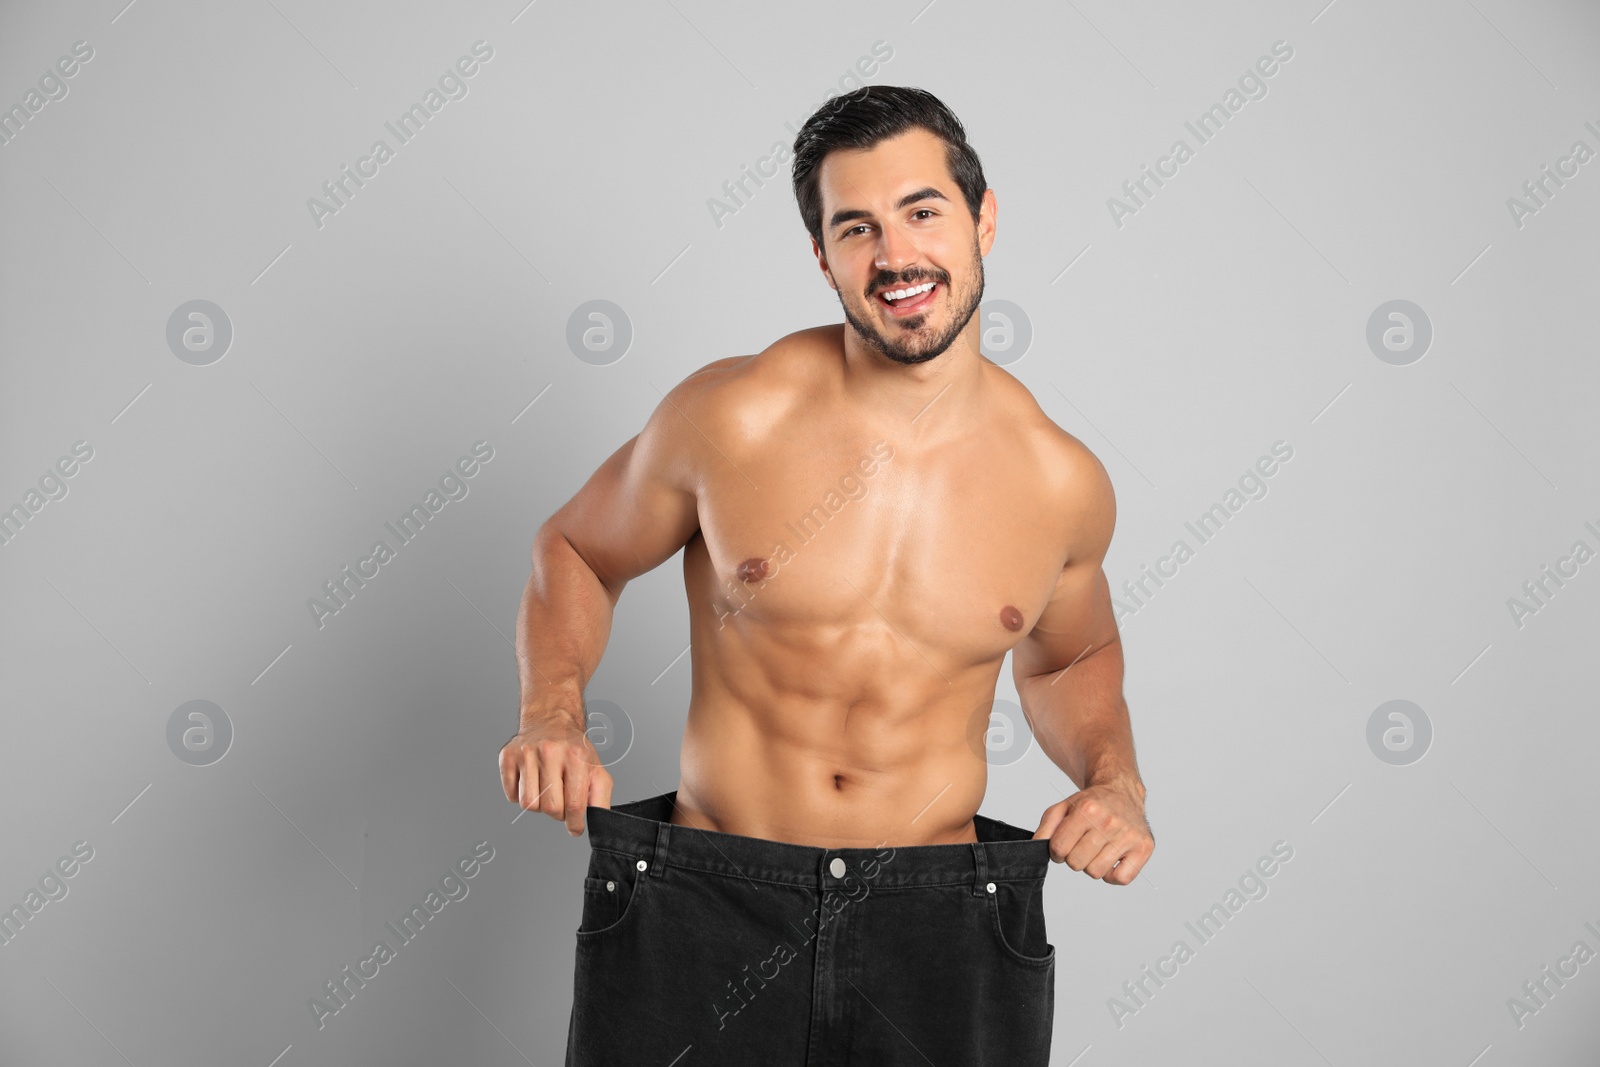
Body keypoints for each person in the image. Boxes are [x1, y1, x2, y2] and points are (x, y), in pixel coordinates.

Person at [500, 84, 1153, 1065]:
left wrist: (1116, 782)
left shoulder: (1058, 481)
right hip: (709, 894)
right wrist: (552, 710)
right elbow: (578, 549)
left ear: (983, 217)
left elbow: (1070, 658)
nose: (894, 255)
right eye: (857, 228)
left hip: (939, 917)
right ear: (822, 257)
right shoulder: (733, 415)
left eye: (922, 212)